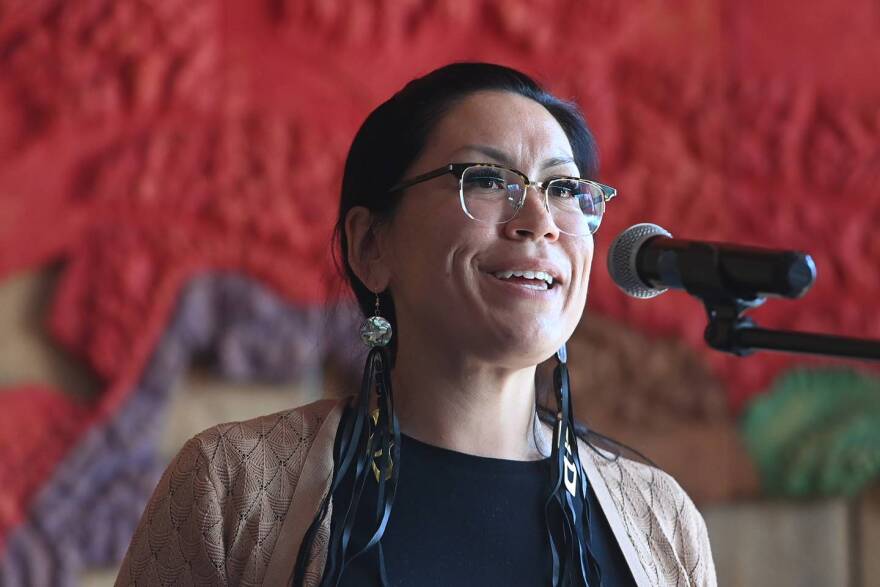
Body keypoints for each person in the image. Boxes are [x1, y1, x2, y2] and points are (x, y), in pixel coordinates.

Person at [116, 62, 716, 587]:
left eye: (564, 188)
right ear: (371, 245)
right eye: (486, 179)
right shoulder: (232, 488)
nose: (539, 220)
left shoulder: (660, 518)